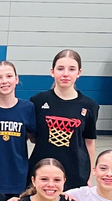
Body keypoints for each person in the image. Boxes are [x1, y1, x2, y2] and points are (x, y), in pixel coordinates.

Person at [28, 49, 99, 191]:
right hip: (42, 170)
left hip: (75, 172)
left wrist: (90, 174)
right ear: (52, 72)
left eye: (71, 69)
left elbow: (89, 142)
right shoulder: (37, 101)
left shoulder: (89, 105)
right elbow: (32, 137)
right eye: (60, 69)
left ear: (79, 73)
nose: (65, 74)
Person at [0, 61, 36, 195]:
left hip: (17, 175)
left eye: (9, 76)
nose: (4, 81)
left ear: (16, 79)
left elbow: (33, 138)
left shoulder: (27, 108)